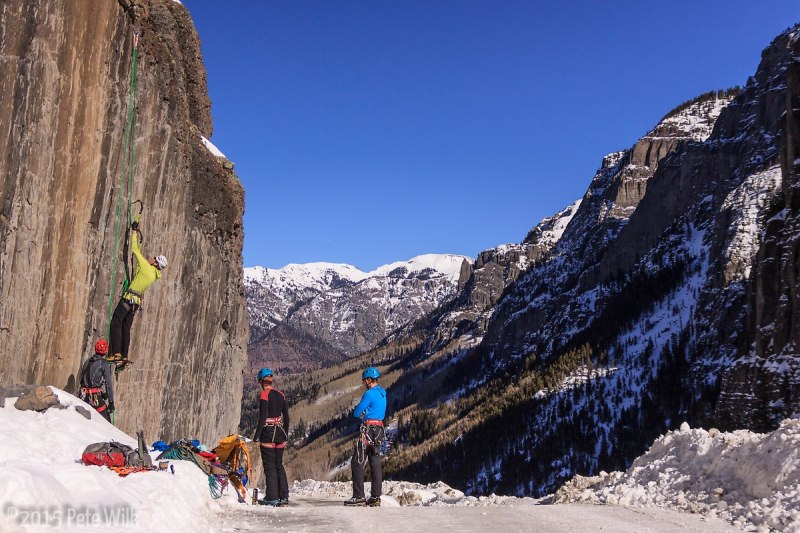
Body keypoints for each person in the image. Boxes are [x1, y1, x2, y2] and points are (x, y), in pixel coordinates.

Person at [109, 213, 167, 371]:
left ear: (155, 262)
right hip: (135, 304)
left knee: (116, 323)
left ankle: (116, 353)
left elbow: (135, 251)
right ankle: (124, 356)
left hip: (128, 299)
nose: (151, 258)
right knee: (126, 328)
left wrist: (134, 232)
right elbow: (140, 259)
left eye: (153, 258)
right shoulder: (154, 275)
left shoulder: (147, 267)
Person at [344, 366, 387, 507]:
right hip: (379, 430)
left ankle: (359, 496)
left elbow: (357, 412)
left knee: (357, 461)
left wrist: (363, 415)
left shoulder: (369, 394)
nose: (364, 383)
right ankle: (375, 496)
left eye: (364, 381)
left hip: (368, 430)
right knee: (375, 462)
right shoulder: (383, 393)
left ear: (369, 380)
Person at [252, 367, 290, 507]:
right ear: (271, 380)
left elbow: (262, 418)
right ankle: (284, 497)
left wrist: (256, 437)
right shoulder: (281, 394)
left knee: (269, 465)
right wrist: (285, 433)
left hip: (268, 433)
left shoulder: (264, 395)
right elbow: (286, 417)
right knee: (279, 464)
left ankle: (272, 497)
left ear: (261, 381)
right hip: (280, 433)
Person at [78, 339, 116, 422]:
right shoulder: (103, 364)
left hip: (83, 395)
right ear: (106, 351)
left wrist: (102, 393)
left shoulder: (88, 361)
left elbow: (84, 379)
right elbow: (108, 384)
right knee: (106, 421)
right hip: (94, 397)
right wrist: (111, 402)